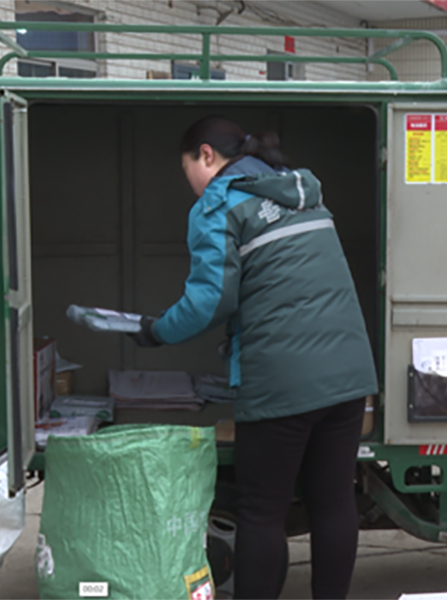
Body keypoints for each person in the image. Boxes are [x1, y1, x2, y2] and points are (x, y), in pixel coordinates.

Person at [131, 115, 378, 600]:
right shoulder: (302, 192)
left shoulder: (220, 203)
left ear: (206, 155)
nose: (191, 183)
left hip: (283, 382)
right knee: (333, 502)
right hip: (349, 376)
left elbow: (210, 301)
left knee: (262, 511)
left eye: (188, 169)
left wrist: (156, 331)